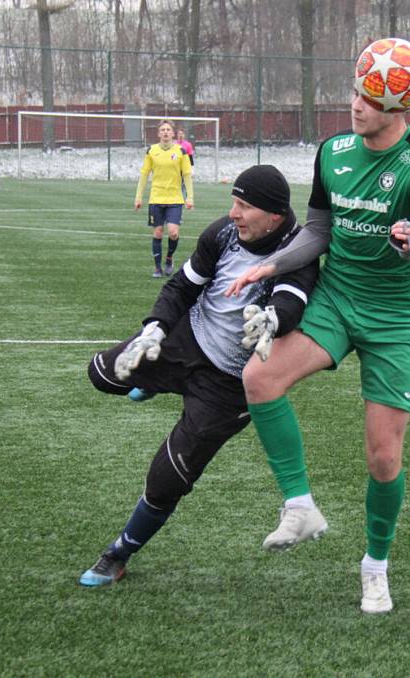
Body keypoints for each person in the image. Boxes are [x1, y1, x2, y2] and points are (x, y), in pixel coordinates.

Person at [226, 38, 410, 614]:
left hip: (395, 318)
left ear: (400, 108)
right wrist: (272, 264)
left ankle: (374, 565)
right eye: (356, 91)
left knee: (383, 458)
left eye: (370, 99)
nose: (356, 105)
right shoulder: (332, 152)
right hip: (335, 299)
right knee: (260, 380)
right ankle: (300, 505)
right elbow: (319, 230)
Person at [80, 165, 319, 587]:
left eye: (244, 206)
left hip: (227, 385)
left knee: (166, 480)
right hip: (186, 339)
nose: (233, 213)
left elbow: (290, 304)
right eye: (234, 202)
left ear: (275, 215)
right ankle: (153, 381)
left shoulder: (297, 254)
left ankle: (118, 553)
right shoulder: (222, 234)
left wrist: (272, 322)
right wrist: (154, 327)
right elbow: (182, 287)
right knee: (101, 374)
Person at [134, 119, 193, 278]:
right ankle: (157, 268)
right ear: (159, 133)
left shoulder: (181, 151)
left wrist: (190, 197)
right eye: (163, 130)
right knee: (158, 232)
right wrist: (138, 197)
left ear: (173, 133)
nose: (166, 132)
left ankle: (169, 259)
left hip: (175, 199)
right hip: (156, 198)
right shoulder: (151, 151)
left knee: (173, 233)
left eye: (168, 129)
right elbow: (144, 175)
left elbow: (187, 175)